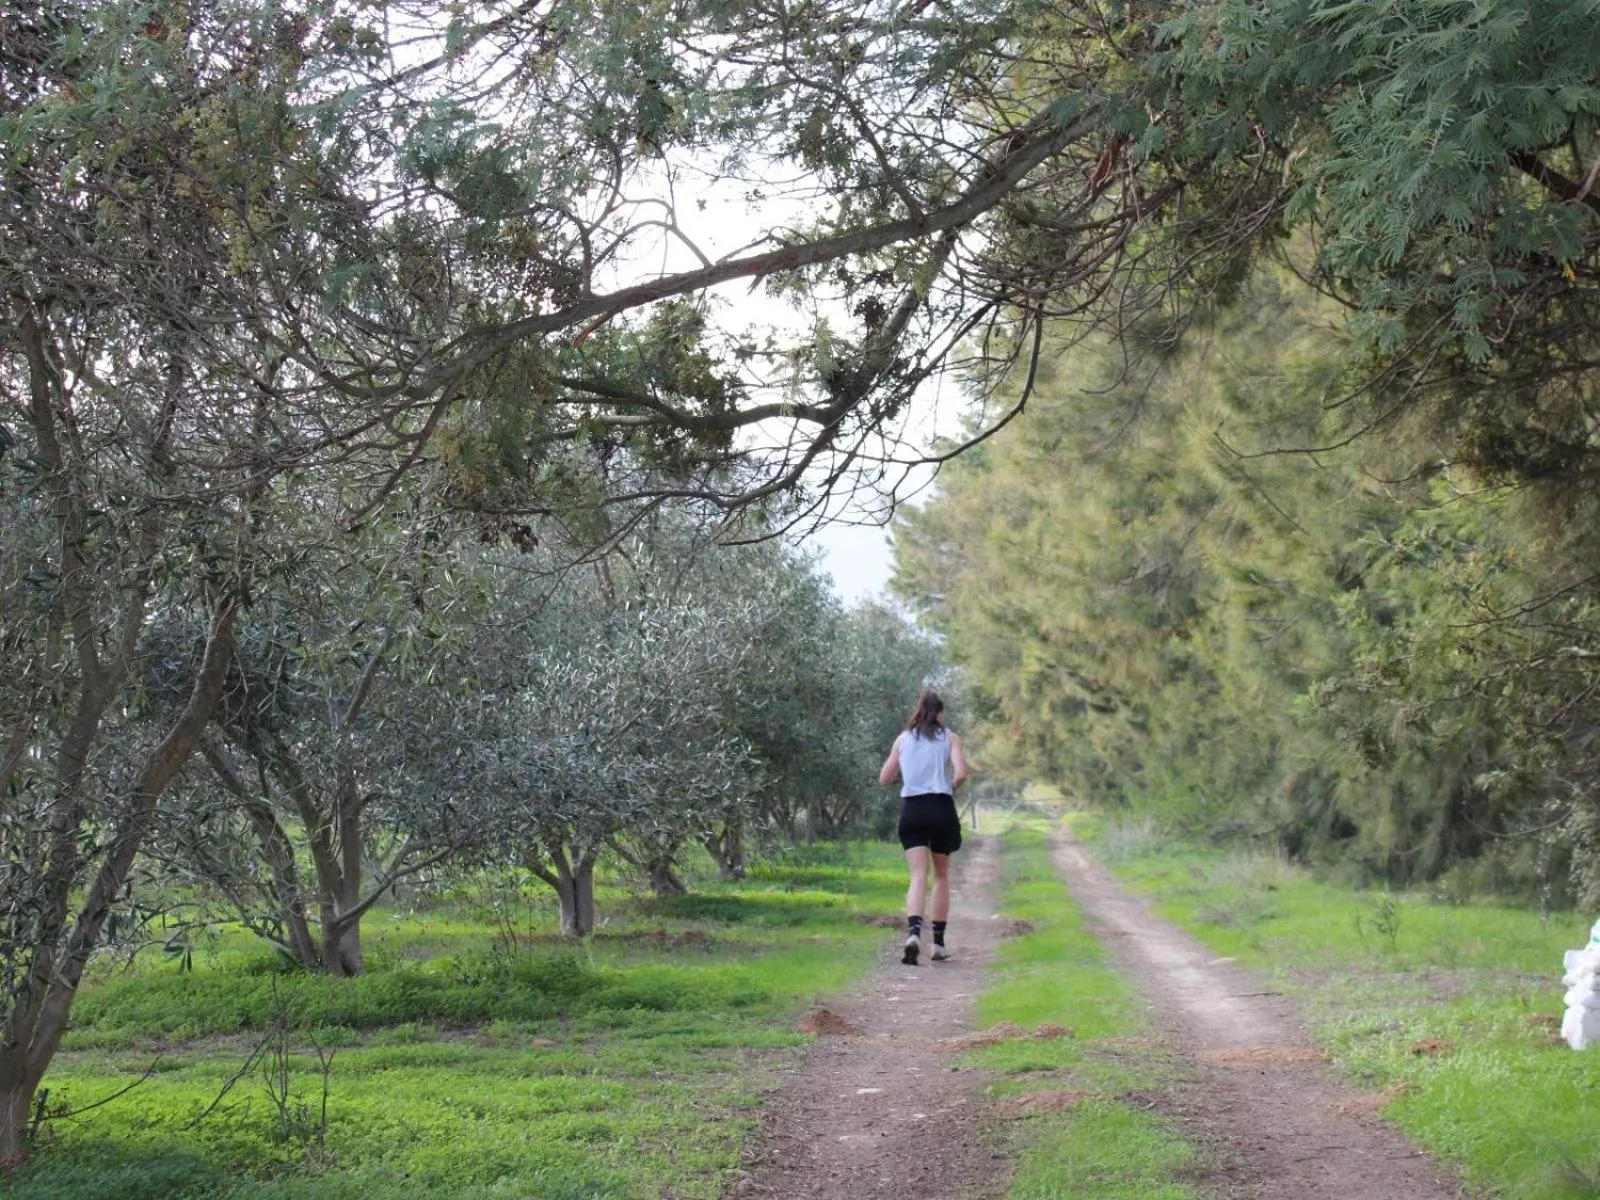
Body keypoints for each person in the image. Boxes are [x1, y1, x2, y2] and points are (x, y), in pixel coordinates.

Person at [878, 689, 969, 965]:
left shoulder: (903, 740)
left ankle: (913, 934)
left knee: (917, 876)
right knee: (940, 876)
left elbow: (885, 778)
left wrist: (910, 776)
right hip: (940, 808)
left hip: (913, 810)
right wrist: (947, 788)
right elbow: (962, 772)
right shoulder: (950, 737)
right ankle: (938, 944)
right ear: (939, 713)